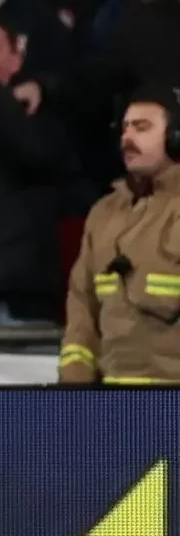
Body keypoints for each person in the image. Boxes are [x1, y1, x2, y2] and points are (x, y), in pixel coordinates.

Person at [60, 89, 180, 386]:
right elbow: (81, 308)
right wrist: (73, 388)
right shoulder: (103, 213)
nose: (128, 138)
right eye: (125, 127)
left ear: (174, 137)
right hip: (112, 402)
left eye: (142, 128)